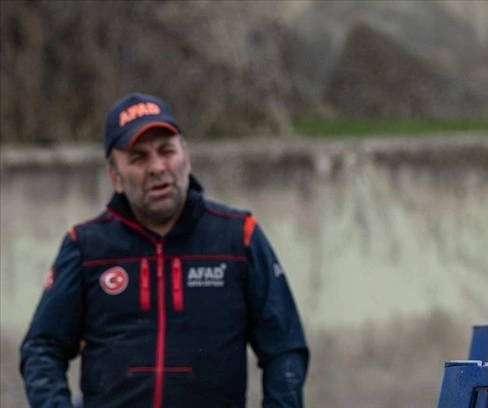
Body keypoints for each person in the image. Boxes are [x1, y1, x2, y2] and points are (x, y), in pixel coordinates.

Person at [20, 93, 309, 408]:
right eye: (138, 158)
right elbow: (42, 348)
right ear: (115, 177)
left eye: (166, 151)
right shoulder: (86, 247)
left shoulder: (239, 239)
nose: (157, 167)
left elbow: (284, 348)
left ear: (187, 156)